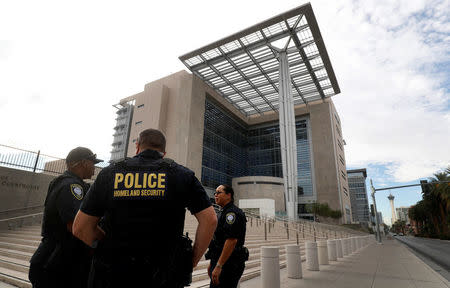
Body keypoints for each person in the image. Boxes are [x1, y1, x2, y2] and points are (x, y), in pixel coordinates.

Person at [72, 128, 217, 288]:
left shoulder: (110, 173)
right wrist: (191, 261)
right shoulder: (182, 175)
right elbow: (210, 220)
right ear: (164, 151)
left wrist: (106, 245)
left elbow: (80, 227)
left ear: (137, 146)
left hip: (113, 274)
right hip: (164, 274)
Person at [29, 147, 102, 288]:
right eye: (93, 162)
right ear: (84, 163)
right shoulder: (72, 186)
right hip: (59, 265)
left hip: (53, 260)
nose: (94, 167)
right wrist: (102, 240)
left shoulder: (63, 182)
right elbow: (75, 225)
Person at [206, 184, 248, 288]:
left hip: (229, 264)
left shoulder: (232, 214)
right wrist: (212, 263)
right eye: (215, 193)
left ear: (229, 195)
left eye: (219, 193)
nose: (215, 195)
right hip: (221, 261)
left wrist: (219, 266)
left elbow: (231, 240)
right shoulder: (223, 212)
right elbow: (218, 240)